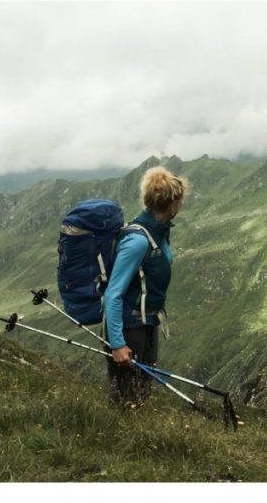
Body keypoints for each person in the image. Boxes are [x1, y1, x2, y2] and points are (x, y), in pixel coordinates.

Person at [104, 166, 188, 405]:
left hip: (147, 323)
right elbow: (113, 294)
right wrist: (118, 344)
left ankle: (134, 438)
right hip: (129, 328)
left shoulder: (158, 232)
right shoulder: (138, 241)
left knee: (140, 394)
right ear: (173, 204)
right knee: (126, 398)